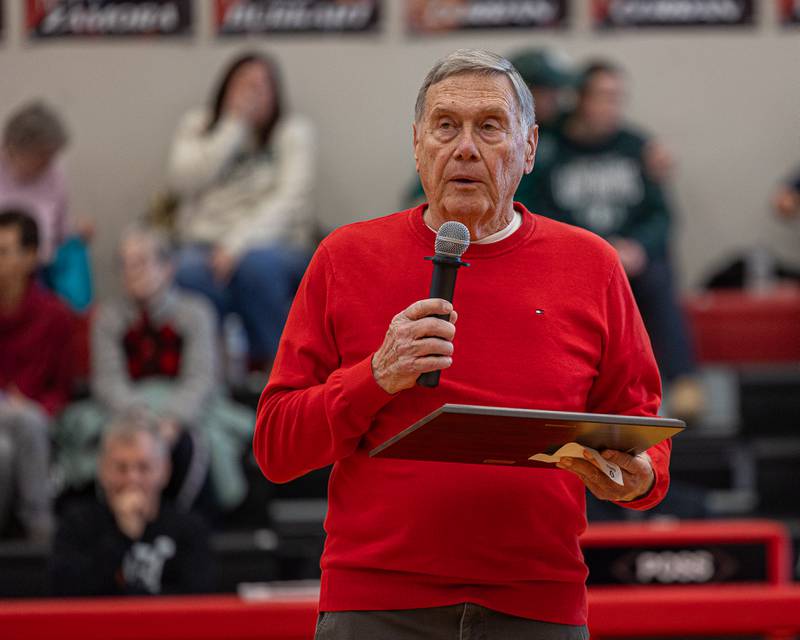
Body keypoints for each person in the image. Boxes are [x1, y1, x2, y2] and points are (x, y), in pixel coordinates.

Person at [254, 49, 671, 638]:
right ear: (417, 143)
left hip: (537, 605)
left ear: (529, 148)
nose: (465, 148)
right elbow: (276, 448)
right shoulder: (344, 258)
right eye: (446, 126)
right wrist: (375, 376)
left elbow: (642, 432)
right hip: (375, 604)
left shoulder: (591, 265)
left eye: (490, 126)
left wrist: (639, 478)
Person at [516, 59, 702, 419]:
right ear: (580, 99)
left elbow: (661, 215)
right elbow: (538, 210)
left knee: (659, 273)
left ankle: (683, 379)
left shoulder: (637, 147)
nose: (611, 107)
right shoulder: (551, 146)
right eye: (602, 96)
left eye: (617, 98)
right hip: (575, 256)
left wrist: (638, 247)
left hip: (630, 256)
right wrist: (595, 247)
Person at [57, 224, 255, 514]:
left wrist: (173, 419)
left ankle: (185, 521)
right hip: (126, 411)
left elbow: (201, 379)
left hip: (186, 412)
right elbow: (108, 382)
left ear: (167, 268)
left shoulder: (196, 312)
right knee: (106, 441)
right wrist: (142, 418)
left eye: (141, 262)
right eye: (125, 265)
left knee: (195, 444)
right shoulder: (108, 318)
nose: (132, 272)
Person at [166, 52, 315, 372]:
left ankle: (276, 369)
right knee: (187, 272)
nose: (251, 95)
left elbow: (289, 201)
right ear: (225, 89)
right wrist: (233, 127)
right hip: (203, 244)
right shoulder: (198, 125)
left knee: (257, 268)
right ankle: (214, 373)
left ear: (275, 94)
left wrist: (235, 246)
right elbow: (182, 182)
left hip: (271, 244)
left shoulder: (292, 133)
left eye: (260, 87)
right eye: (243, 85)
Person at [51, 412, 214, 596]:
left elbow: (197, 598)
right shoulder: (77, 525)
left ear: (165, 471)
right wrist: (123, 535)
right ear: (102, 470)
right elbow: (66, 592)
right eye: (121, 468)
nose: (132, 479)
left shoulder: (190, 529)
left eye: (144, 468)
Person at [0, 208, 74, 541]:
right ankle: (41, 528)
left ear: (30, 257)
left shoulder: (55, 316)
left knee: (6, 448)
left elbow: (61, 389)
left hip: (34, 424)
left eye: (3, 251)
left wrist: (35, 407)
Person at [0, 101, 92, 310]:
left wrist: (77, 229)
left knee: (75, 255)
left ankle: (73, 315)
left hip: (43, 264)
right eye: (42, 156)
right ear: (15, 148)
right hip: (7, 265)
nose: (48, 163)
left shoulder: (55, 173)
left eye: (51, 156)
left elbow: (60, 229)